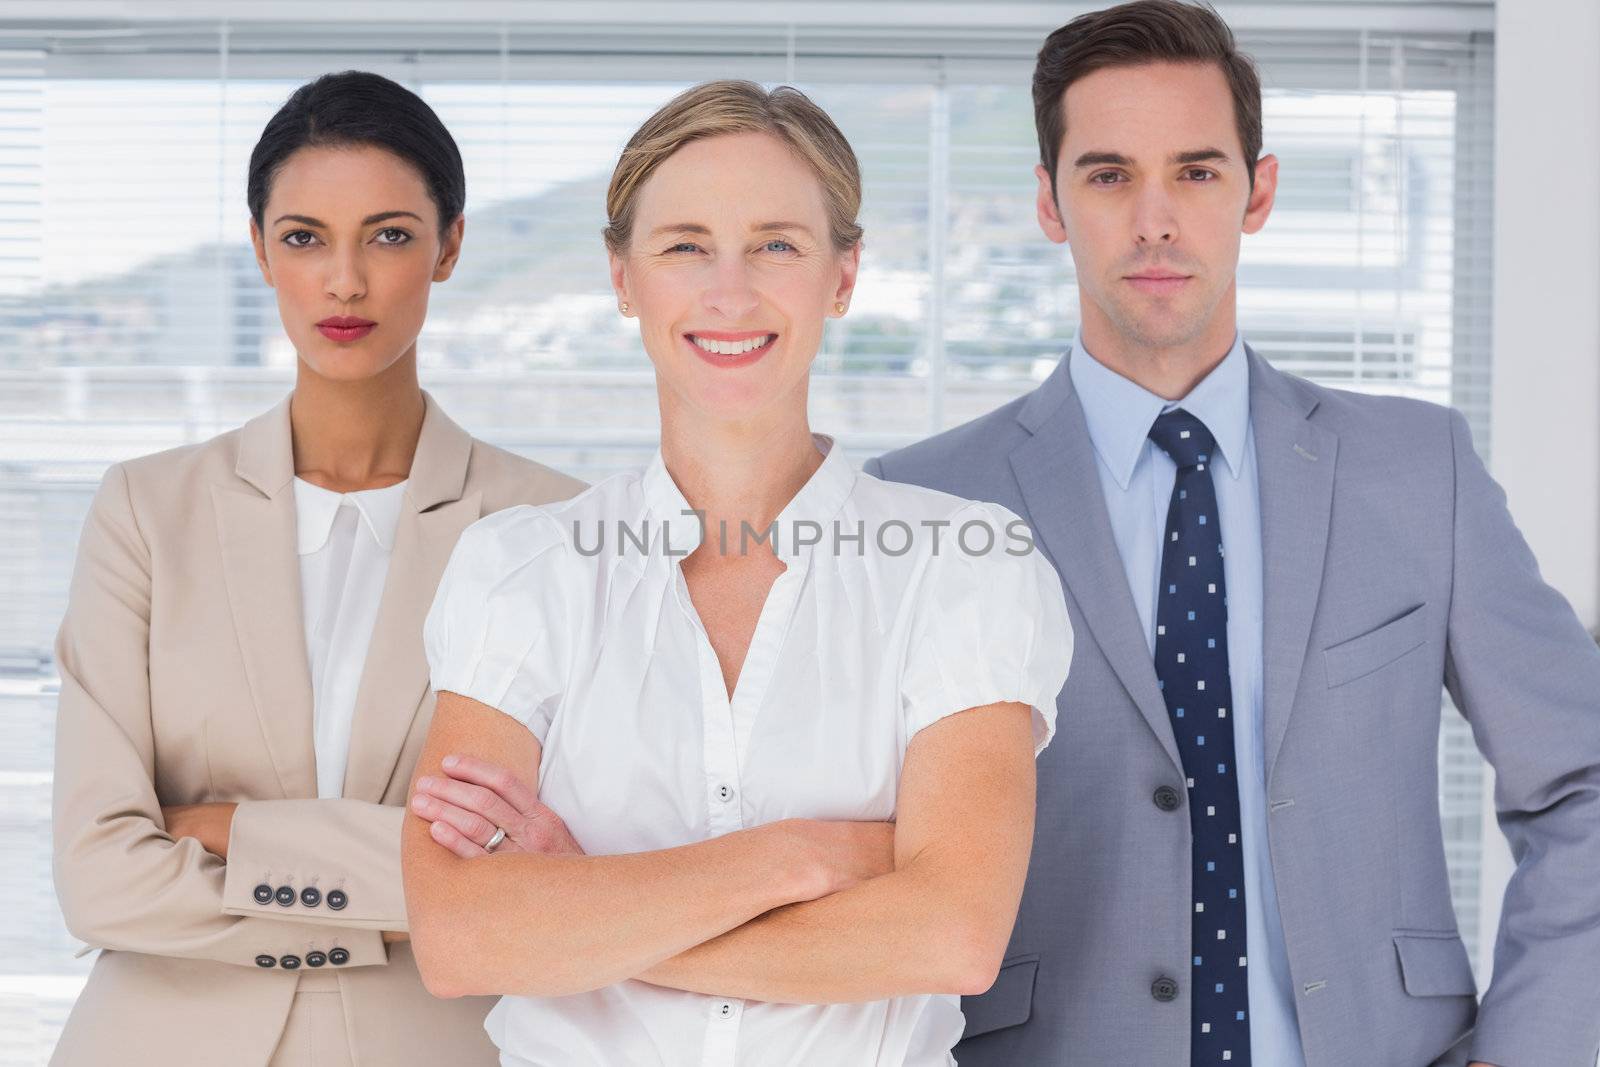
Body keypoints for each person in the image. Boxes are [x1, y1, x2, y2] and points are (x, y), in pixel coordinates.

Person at [863, 2, 1600, 1065]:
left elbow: (1580, 771)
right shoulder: (923, 503)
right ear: (1048, 201)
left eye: (1196, 172)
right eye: (1109, 175)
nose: (1154, 219)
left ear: (1257, 191)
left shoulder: (1415, 468)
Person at [400, 79, 1073, 1066]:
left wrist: (591, 915)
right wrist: (800, 859)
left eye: (777, 244)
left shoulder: (963, 567)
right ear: (622, 276)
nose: (729, 290)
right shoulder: (520, 572)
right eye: (683, 245)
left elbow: (950, 934)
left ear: (842, 276)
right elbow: (461, 936)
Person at [49, 70, 582, 1067]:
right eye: (304, 238)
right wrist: (415, 895)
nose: (344, 281)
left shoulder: (551, 525)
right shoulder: (145, 510)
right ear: (259, 249)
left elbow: (554, 874)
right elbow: (97, 877)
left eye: (387, 235)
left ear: (450, 245)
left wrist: (224, 828)